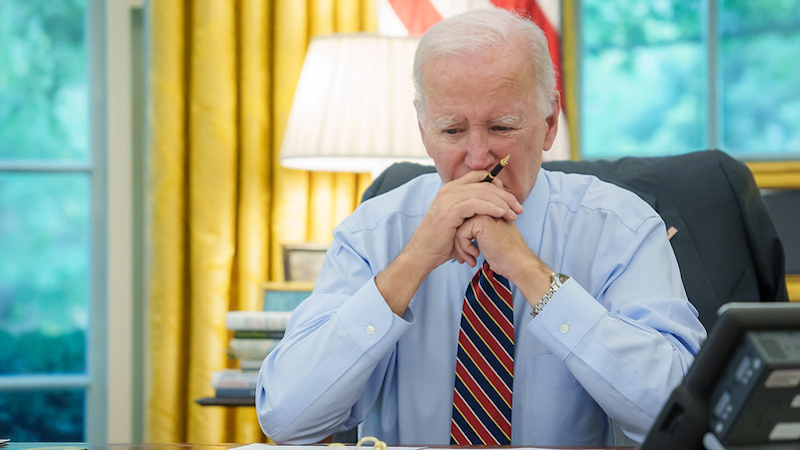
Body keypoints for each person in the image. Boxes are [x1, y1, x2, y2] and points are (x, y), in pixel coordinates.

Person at [256, 7, 706, 447]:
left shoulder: (620, 228)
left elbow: (679, 417)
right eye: (452, 130)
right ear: (422, 129)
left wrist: (531, 274)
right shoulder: (372, 233)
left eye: (501, 127)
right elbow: (287, 418)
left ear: (549, 123)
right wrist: (411, 265)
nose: (477, 158)